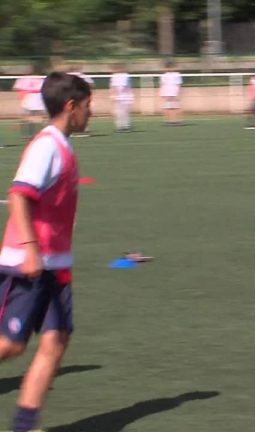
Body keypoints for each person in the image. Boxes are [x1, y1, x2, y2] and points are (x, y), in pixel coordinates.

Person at [0, 71, 91, 432]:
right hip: (27, 264)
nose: (91, 113)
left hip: (56, 266)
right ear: (70, 107)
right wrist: (31, 249)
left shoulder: (62, 146)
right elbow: (19, 195)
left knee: (55, 341)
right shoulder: (46, 146)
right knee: (10, 345)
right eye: (87, 106)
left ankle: (24, 426)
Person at [12, 66, 46, 140]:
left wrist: (21, 96)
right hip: (34, 99)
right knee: (31, 117)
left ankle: (30, 134)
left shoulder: (26, 79)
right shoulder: (39, 79)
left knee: (29, 117)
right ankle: (30, 134)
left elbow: (17, 88)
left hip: (31, 99)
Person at [67, 64, 95, 137]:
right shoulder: (81, 75)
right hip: (79, 97)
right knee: (83, 112)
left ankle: (71, 129)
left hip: (72, 97)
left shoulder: (68, 75)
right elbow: (92, 84)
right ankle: (84, 128)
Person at [109, 63, 133, 132]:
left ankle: (123, 126)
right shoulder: (122, 76)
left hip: (122, 96)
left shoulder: (121, 76)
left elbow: (117, 86)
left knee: (122, 111)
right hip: (122, 96)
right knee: (122, 111)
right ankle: (123, 125)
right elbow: (113, 87)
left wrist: (113, 95)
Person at [159, 60, 183, 126]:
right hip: (167, 93)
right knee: (168, 107)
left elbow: (178, 84)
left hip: (174, 93)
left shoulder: (177, 74)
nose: (169, 69)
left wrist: (178, 93)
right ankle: (169, 120)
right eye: (168, 67)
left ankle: (175, 120)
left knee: (175, 107)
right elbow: (162, 85)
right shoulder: (163, 75)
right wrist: (161, 93)